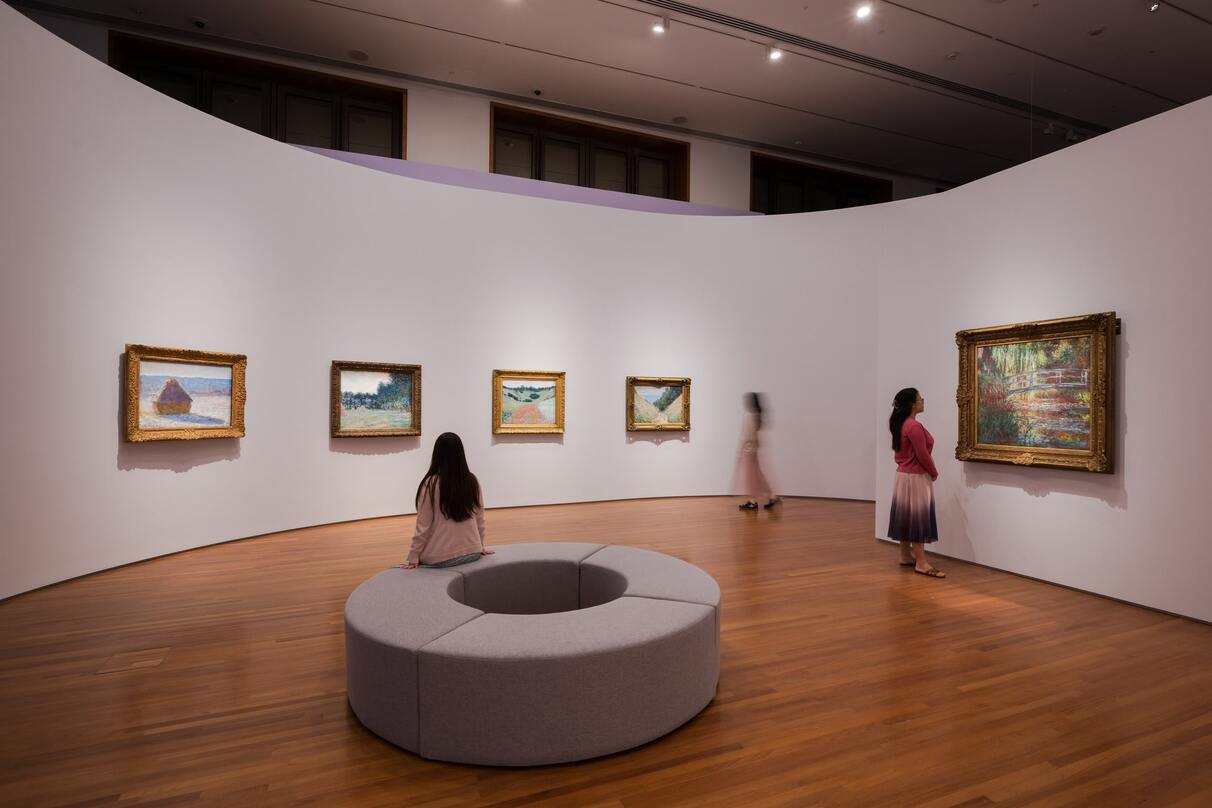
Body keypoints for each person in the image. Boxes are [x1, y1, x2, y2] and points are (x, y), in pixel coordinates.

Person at [400, 432, 494, 569]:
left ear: (437, 454)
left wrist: (413, 557)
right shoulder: (472, 480)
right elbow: (480, 519)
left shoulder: (430, 484)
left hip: (440, 558)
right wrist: (479, 545)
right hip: (473, 553)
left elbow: (423, 526)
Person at [888, 387, 944, 578]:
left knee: (905, 516)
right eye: (920, 398)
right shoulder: (913, 426)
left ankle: (905, 555)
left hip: (902, 476)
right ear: (913, 404)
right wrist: (934, 472)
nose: (923, 401)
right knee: (918, 518)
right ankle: (921, 562)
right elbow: (922, 455)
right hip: (916, 477)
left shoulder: (902, 424)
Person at [735, 392, 780, 511]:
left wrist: (742, 451)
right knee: (756, 476)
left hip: (749, 452)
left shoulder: (750, 417)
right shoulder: (758, 416)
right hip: (753, 451)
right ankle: (769, 497)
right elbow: (755, 438)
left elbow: (747, 437)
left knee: (751, 477)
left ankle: (755, 501)